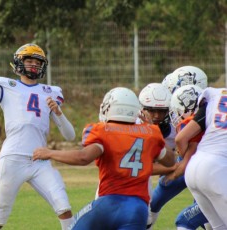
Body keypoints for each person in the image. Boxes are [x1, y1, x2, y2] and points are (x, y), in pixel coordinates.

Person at [0, 43, 76, 230]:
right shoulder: (6, 85)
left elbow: (70, 135)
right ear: (18, 63)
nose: (33, 65)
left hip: (39, 159)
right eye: (29, 60)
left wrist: (58, 113)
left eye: (37, 62)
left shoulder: (51, 92)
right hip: (13, 158)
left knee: (63, 206)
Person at [33, 87, 175, 230]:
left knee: (71, 227)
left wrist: (49, 153)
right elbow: (170, 161)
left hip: (108, 203)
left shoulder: (102, 130)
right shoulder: (150, 133)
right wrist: (154, 133)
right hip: (138, 209)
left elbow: (84, 157)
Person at [142, 66, 208, 230]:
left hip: (206, 167)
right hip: (197, 164)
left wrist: (175, 166)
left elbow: (184, 143)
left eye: (174, 90)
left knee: (197, 213)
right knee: (159, 196)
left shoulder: (201, 115)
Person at [175, 87, 227, 228]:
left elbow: (181, 138)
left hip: (193, 170)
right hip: (218, 168)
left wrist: (183, 157)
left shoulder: (216, 95)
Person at [165, 85, 211, 230]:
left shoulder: (190, 124)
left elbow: (182, 143)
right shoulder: (214, 120)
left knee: (184, 220)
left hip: (216, 178)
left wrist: (172, 174)